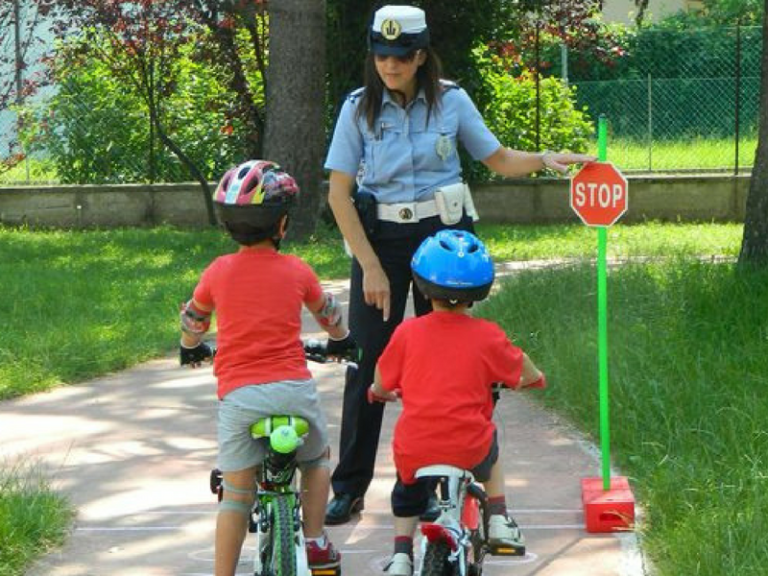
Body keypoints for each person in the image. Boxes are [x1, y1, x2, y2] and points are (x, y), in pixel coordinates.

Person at [323, 4, 591, 524]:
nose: (389, 66)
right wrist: (370, 267)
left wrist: (544, 159)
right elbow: (338, 195)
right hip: (381, 241)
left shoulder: (452, 101)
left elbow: (497, 158)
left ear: (421, 55)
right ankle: (350, 486)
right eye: (381, 55)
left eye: (400, 57)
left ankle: (451, 471)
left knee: (449, 355)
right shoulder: (358, 108)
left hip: (444, 241)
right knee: (368, 362)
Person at [179, 160, 355, 576]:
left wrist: (190, 347)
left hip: (240, 396)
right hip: (293, 388)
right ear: (282, 225)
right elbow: (330, 316)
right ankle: (313, 540)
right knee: (316, 462)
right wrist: (341, 341)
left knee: (236, 495)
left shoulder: (218, 271)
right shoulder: (297, 270)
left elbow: (194, 320)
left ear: (229, 226)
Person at [368, 229, 546, 576]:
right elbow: (522, 365)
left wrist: (379, 391)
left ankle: (401, 556)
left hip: (415, 447)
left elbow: (380, 379)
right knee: (490, 442)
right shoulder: (488, 335)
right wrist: (534, 379)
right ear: (479, 289)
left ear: (422, 284)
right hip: (468, 446)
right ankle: (497, 518)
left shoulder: (407, 333)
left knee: (406, 491)